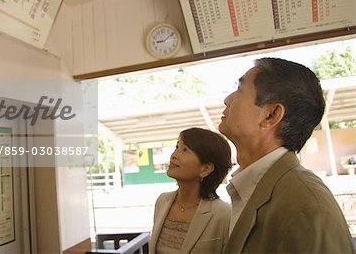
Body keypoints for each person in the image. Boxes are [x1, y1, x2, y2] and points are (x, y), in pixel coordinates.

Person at [219, 57, 355, 253]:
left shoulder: (306, 208)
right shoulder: (259, 188)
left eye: (240, 90)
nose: (227, 99)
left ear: (271, 115)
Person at [150, 127, 232, 254]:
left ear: (205, 169)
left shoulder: (224, 214)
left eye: (185, 150)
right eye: (177, 147)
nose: (174, 155)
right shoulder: (162, 201)